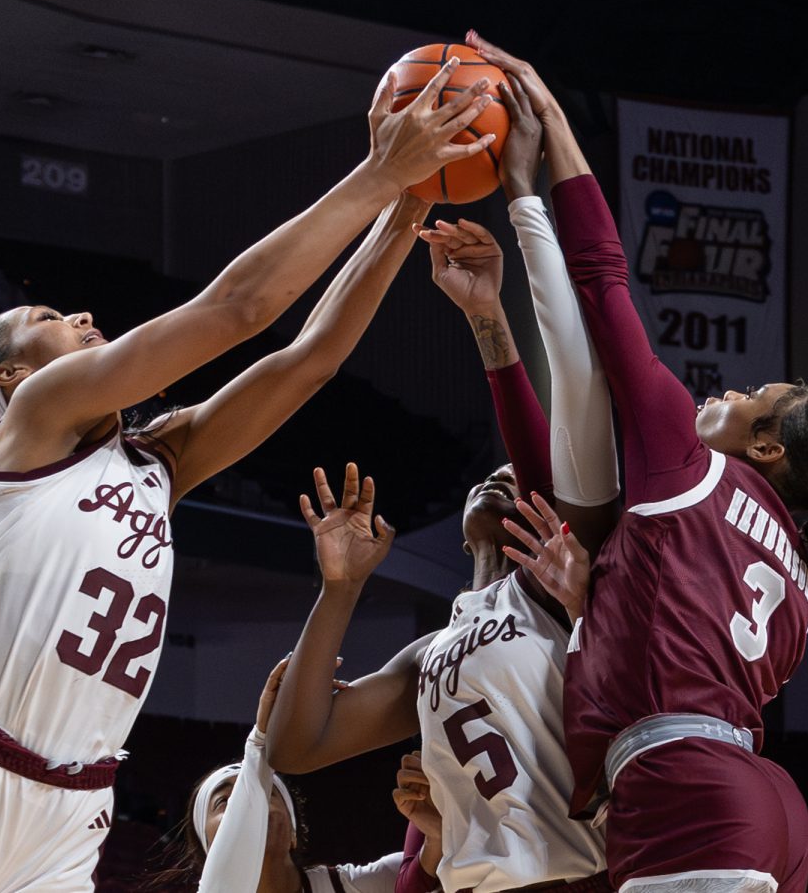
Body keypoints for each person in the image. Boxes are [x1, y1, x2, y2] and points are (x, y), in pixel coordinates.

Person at [0, 60, 498, 893]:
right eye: (43, 320)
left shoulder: (156, 463)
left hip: (75, 801)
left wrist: (408, 210)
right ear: (8, 379)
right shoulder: (36, 421)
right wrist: (377, 173)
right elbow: (238, 311)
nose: (76, 316)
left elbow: (309, 360)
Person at [468, 31, 808, 893]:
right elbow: (673, 631)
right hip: (753, 797)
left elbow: (606, 281)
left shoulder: (690, 467)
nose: (725, 388)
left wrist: (550, 134)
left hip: (688, 783)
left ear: (766, 448)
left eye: (750, 395)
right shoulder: (794, 577)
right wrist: (597, 600)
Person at [266, 88, 621, 888]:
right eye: (488, 472)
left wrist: (489, 321)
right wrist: (340, 590)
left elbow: (545, 445)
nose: (500, 473)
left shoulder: (574, 581)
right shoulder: (436, 651)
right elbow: (299, 745)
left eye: (518, 476)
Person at [143, 658, 401, 893]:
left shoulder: (357, 885)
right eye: (224, 803)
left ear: (293, 833)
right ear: (209, 849)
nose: (247, 805)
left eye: (268, 793)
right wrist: (261, 737)